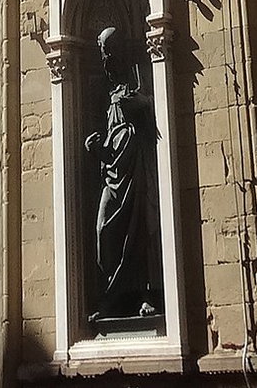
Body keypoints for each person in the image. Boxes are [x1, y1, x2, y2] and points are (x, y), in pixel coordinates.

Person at [86, 26, 160, 322]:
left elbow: (152, 109)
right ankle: (113, 295)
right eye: (102, 51)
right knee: (104, 230)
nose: (104, 57)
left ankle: (144, 296)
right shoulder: (108, 92)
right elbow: (110, 137)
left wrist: (138, 102)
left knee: (138, 230)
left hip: (136, 169)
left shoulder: (137, 78)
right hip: (114, 173)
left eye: (107, 50)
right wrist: (98, 149)